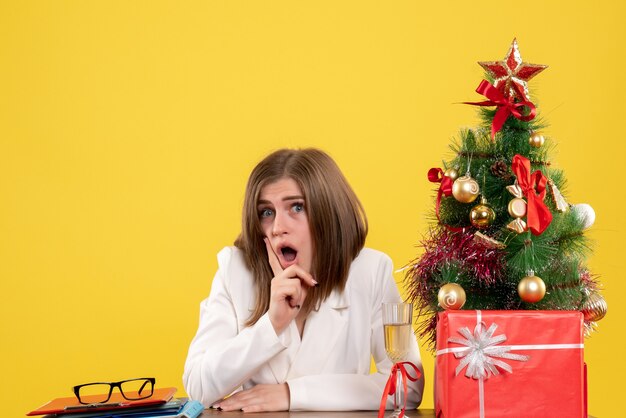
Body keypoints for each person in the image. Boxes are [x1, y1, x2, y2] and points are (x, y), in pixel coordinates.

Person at [183, 148, 424, 412]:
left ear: (328, 215)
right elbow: (198, 386)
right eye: (266, 212)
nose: (277, 228)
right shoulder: (235, 269)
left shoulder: (370, 270)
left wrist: (292, 394)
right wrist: (272, 325)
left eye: (296, 207)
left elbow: (406, 385)